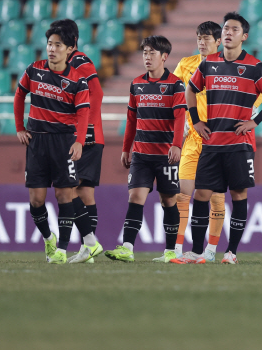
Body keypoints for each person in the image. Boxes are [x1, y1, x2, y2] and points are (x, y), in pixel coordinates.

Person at [172, 12, 262, 265]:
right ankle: (199, 252)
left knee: (238, 195)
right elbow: (190, 90)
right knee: (201, 195)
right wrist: (196, 120)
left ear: (244, 36)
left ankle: (231, 252)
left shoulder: (255, 66)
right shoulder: (208, 63)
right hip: (211, 143)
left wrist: (255, 121)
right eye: (225, 29)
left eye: (234, 29)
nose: (228, 32)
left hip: (239, 145)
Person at [14, 24, 97, 264]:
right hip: (36, 140)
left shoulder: (78, 82)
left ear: (70, 49)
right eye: (50, 44)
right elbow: (19, 95)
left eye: (58, 45)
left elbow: (84, 115)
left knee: (65, 195)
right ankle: (49, 238)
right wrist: (19, 127)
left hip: (63, 142)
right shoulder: (33, 70)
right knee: (36, 200)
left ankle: (61, 249)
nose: (52, 49)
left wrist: (79, 142)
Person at [105, 35, 186, 263]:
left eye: (152, 53)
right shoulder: (137, 83)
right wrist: (125, 148)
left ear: (164, 57)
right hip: (141, 154)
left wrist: (176, 145)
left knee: (168, 201)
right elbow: (131, 119)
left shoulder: (175, 84)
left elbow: (180, 117)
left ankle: (171, 251)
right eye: (144, 53)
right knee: (135, 196)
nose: (147, 57)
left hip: (165, 156)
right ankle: (128, 248)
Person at [51, 19, 105, 263]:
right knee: (84, 192)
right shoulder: (67, 64)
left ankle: (85, 245)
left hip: (86, 136)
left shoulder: (79, 61)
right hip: (84, 135)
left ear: (71, 44)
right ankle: (88, 249)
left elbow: (97, 93)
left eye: (59, 42)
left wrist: (87, 129)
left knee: (67, 188)